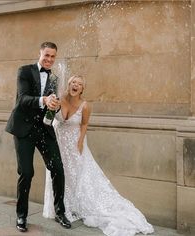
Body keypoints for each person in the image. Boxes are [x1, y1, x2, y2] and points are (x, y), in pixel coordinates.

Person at [43, 75, 154, 236]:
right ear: (68, 84)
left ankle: (79, 206)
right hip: (59, 145)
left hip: (75, 145)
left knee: (79, 176)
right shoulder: (58, 99)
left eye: (80, 84)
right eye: (74, 82)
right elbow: (50, 120)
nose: (76, 85)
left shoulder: (85, 105)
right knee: (60, 175)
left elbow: (84, 123)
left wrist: (80, 141)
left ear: (82, 89)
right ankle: (61, 207)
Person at [5, 42, 71, 232]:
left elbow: (52, 104)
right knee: (26, 172)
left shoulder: (54, 79)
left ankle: (60, 212)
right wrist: (43, 100)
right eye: (47, 55)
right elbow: (23, 98)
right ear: (40, 54)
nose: (49, 59)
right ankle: (21, 215)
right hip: (23, 129)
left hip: (44, 129)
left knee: (57, 167)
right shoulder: (24, 71)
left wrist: (54, 105)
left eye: (53, 57)